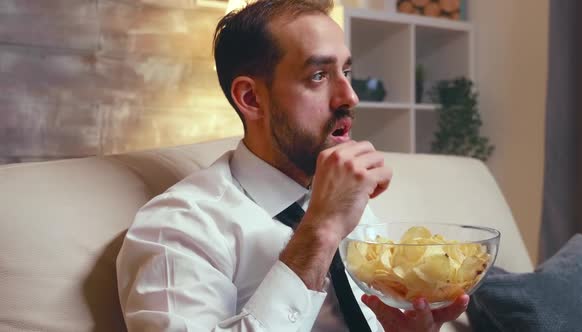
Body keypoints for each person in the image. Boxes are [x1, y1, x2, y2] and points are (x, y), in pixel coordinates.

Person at [116, 0, 469, 331]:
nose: (350, 96)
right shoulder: (178, 227)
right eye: (318, 75)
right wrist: (320, 231)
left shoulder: (347, 199)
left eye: (346, 71)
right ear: (252, 98)